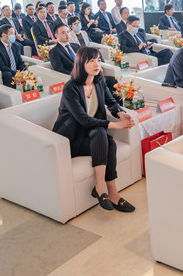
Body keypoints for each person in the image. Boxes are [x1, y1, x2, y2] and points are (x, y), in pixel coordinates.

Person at [51, 46, 136, 213]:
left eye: (98, 60)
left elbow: (111, 102)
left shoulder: (99, 82)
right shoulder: (70, 88)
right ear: (81, 63)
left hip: (91, 135)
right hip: (71, 139)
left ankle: (109, 191)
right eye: (91, 61)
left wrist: (120, 113)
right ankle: (102, 189)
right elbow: (84, 120)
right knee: (104, 137)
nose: (97, 64)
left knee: (107, 140)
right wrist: (116, 125)